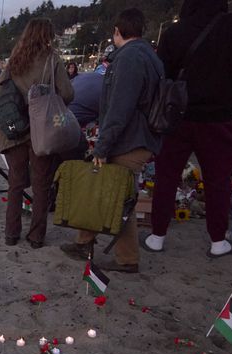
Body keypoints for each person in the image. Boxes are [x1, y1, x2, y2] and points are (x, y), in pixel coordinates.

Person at [60, 8, 163, 273]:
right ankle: (85, 241)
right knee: (110, 189)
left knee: (118, 197)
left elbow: (119, 107)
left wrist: (103, 147)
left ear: (117, 31)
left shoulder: (129, 59)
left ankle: (126, 259)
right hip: (139, 136)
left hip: (130, 139)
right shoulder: (150, 56)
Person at [143, 0, 232, 258]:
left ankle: (157, 236)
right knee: (218, 182)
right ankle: (218, 241)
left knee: (166, 178)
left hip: (179, 117)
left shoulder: (175, 32)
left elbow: (163, 75)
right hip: (220, 118)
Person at [0, 18, 74, 249]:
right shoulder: (51, 60)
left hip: (15, 130)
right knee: (41, 186)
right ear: (47, 36)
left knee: (15, 183)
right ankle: (36, 237)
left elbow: (0, 92)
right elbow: (68, 93)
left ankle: (11, 234)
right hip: (42, 131)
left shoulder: (15, 60)